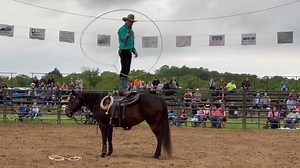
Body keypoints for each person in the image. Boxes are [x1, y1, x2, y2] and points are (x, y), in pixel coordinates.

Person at [118, 14, 138, 93]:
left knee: (127, 69)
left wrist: (134, 51)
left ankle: (125, 86)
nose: (131, 23)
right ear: (126, 21)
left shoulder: (132, 32)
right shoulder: (121, 29)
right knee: (124, 68)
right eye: (130, 21)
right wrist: (126, 36)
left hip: (129, 50)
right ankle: (122, 86)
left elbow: (132, 43)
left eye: (132, 22)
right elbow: (122, 40)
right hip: (123, 50)